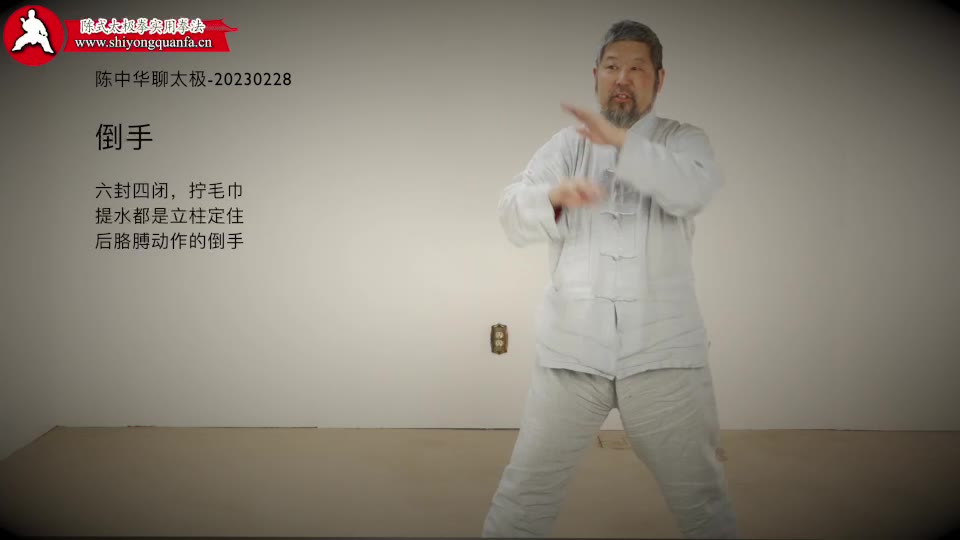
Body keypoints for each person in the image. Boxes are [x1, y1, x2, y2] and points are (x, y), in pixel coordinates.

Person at [483, 20, 738, 539]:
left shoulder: (682, 140)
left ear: (659, 79)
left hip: (664, 357)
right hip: (571, 356)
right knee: (524, 496)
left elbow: (693, 189)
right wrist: (553, 198)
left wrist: (622, 143)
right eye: (612, 67)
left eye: (637, 68)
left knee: (701, 503)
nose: (622, 78)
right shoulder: (565, 146)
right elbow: (510, 212)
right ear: (596, 74)